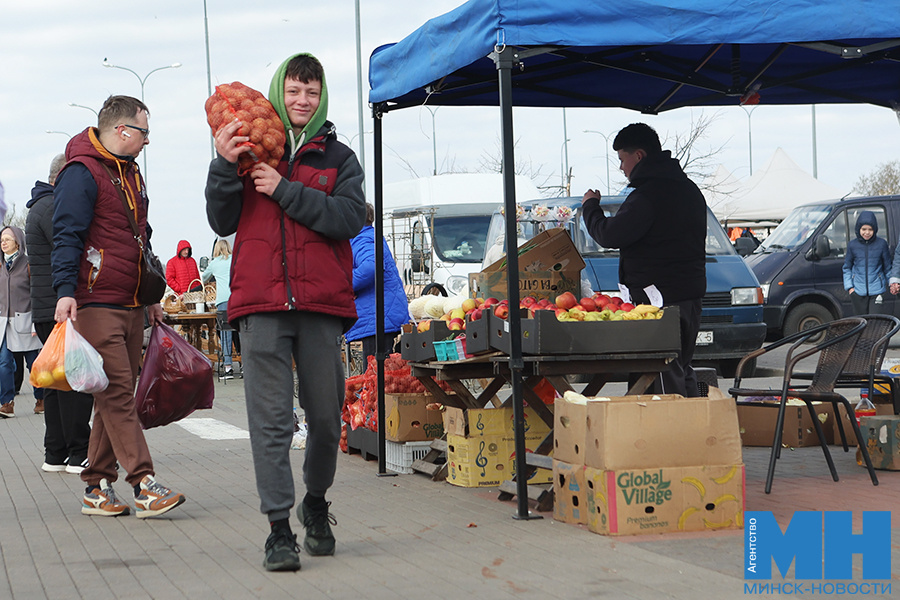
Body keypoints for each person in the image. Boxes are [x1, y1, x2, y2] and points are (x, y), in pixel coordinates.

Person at [206, 52, 365, 572]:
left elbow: (348, 218)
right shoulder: (246, 148)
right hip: (261, 303)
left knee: (324, 418)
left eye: (312, 93)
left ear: (321, 99)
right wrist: (222, 164)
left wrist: (285, 189)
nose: (302, 102)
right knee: (270, 422)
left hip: (320, 305)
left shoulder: (338, 158)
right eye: (294, 91)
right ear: (280, 92)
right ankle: (278, 529)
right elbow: (221, 219)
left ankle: (314, 502)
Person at [52, 94, 185, 518]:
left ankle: (94, 486)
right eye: (144, 132)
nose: (148, 141)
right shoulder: (81, 172)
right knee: (117, 393)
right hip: (95, 303)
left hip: (130, 304)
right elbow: (66, 234)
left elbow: (141, 236)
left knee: (110, 398)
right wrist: (64, 292)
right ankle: (143, 483)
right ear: (122, 130)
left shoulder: (132, 173)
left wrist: (152, 298)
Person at [581, 122, 706, 397]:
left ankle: (666, 435)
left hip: (660, 297)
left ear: (639, 156)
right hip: (689, 294)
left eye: (622, 160)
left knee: (660, 369)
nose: (622, 168)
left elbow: (610, 234)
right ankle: (696, 429)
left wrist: (590, 207)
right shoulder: (688, 189)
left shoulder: (649, 195)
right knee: (681, 366)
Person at [26, 153, 94, 473]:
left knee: (55, 382)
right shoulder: (53, 206)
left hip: (45, 307)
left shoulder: (39, 205)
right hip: (60, 305)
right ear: (61, 178)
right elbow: (71, 244)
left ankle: (55, 453)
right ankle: (79, 451)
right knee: (75, 382)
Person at [345, 203, 410, 364]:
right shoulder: (370, 236)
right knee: (383, 371)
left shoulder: (361, 240)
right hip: (382, 315)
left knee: (376, 373)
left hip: (377, 317)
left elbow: (371, 266)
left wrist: (345, 283)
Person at [0, 226, 44, 418]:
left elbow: (36, 295)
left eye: (8, 239)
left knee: (33, 364)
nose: (3, 243)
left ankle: (41, 399)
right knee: (4, 364)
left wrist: (36, 323)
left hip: (26, 323)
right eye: (2, 239)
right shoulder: (0, 265)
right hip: (4, 325)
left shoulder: (28, 264)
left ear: (18, 241)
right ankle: (6, 403)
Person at [843, 211, 891, 315]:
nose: (867, 232)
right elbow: (847, 268)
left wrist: (892, 284)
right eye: (864, 229)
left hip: (877, 291)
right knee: (862, 323)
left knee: (875, 322)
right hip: (857, 292)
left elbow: (888, 267)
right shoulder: (852, 245)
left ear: (875, 230)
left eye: (870, 229)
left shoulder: (882, 244)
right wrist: (850, 288)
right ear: (858, 229)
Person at [201, 238, 235, 378]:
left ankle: (228, 367)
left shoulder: (214, 263)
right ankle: (245, 364)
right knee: (240, 333)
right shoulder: (234, 259)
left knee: (225, 333)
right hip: (237, 298)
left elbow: (204, 278)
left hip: (223, 301)